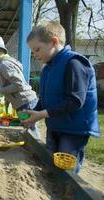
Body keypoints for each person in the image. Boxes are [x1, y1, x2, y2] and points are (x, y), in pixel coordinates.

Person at [24, 21, 100, 173]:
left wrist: (43, 114)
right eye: (33, 52)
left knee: (66, 169)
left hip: (74, 129)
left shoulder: (74, 63)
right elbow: (45, 99)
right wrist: (32, 113)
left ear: (54, 42)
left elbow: (75, 101)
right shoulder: (48, 69)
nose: (35, 55)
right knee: (51, 163)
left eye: (37, 50)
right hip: (55, 124)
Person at [0, 35, 40, 139]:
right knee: (27, 126)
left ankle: (38, 150)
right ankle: (31, 145)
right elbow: (10, 85)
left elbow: (18, 84)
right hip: (22, 102)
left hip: (25, 103)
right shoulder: (3, 63)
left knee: (31, 129)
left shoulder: (4, 65)